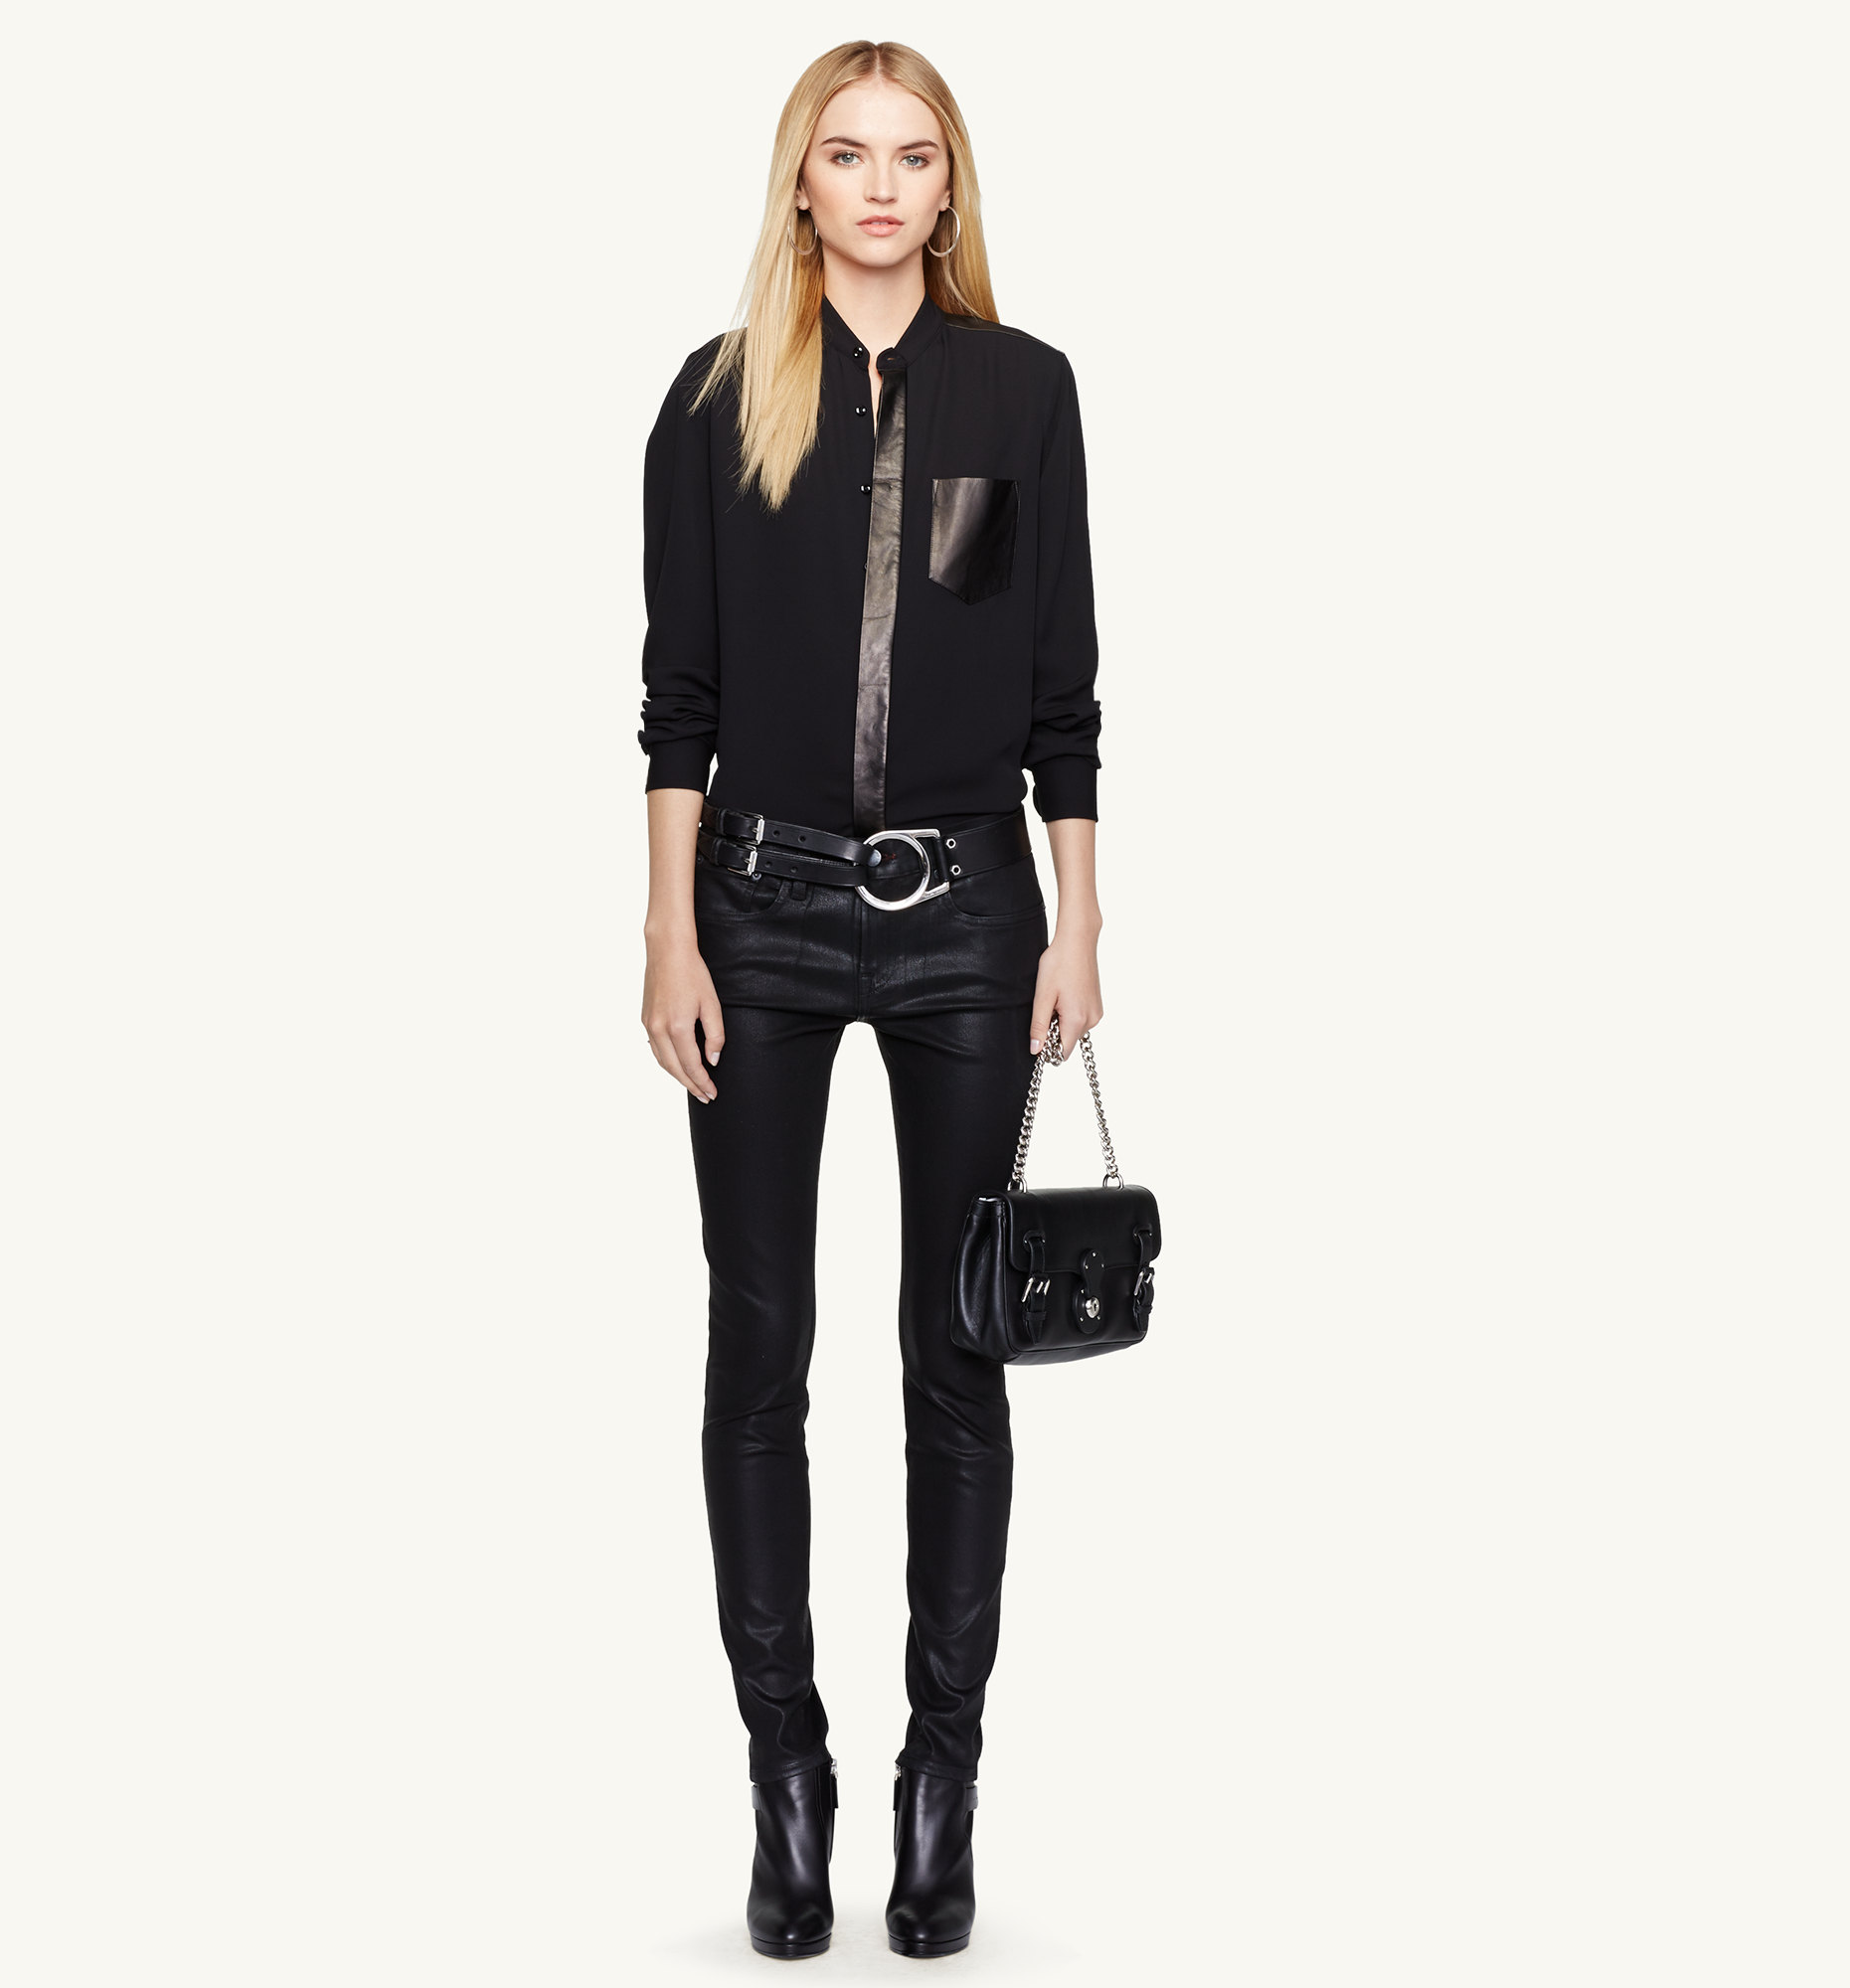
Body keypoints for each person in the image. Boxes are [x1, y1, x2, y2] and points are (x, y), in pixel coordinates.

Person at [636, 40, 1105, 1961]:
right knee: (760, 1354)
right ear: (802, 183)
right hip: (754, 911)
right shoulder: (714, 396)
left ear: (950, 185)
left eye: (916, 156)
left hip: (971, 919)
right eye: (849, 154)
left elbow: (1063, 683)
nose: (885, 185)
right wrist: (665, 932)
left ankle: (940, 1781)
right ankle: (787, 1774)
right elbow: (677, 696)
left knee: (954, 1357)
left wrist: (1081, 920)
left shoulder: (1024, 390)